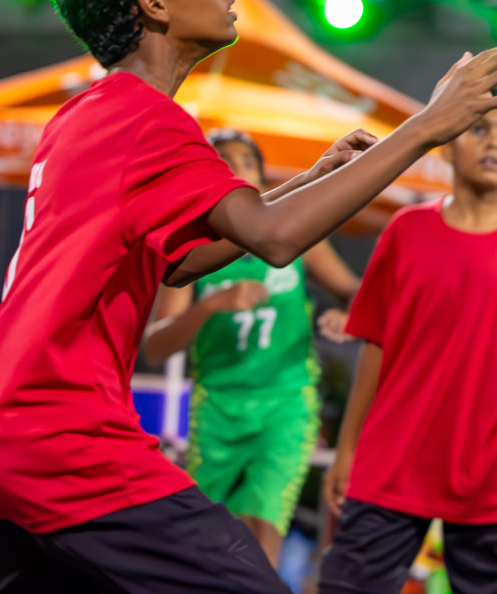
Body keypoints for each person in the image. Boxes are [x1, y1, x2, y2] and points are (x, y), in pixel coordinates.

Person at [0, 0, 497, 593]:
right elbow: (273, 240)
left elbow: (185, 256)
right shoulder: (147, 120)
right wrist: (427, 126)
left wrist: (310, 181)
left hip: (9, 438)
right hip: (68, 443)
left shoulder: (88, 115)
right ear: (153, 1)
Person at [318, 88, 497, 594]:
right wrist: (347, 449)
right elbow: (374, 344)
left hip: (492, 466)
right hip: (392, 458)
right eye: (479, 129)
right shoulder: (405, 230)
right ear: (447, 146)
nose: (494, 143)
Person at [142, 128, 363, 566]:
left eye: (243, 162)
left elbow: (356, 293)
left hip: (286, 401)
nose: (232, 168)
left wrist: (349, 318)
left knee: (266, 522)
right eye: (220, 160)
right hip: (219, 404)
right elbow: (155, 346)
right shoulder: (191, 252)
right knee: (203, 534)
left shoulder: (297, 239)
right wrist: (210, 307)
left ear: (262, 181)